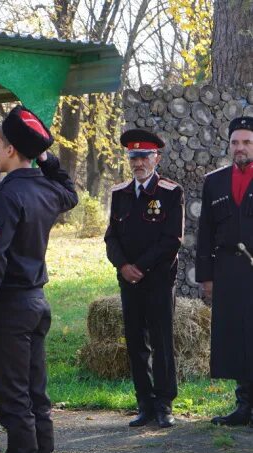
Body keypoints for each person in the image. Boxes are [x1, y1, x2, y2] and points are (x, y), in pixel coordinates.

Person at [0, 106, 78, 453]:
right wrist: (43, 155)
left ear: (11, 149)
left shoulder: (5, 195)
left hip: (10, 309)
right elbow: (70, 191)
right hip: (36, 303)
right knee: (35, 394)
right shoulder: (47, 189)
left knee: (13, 399)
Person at [104, 129, 184, 429]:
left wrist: (141, 267)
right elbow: (111, 238)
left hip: (158, 280)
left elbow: (171, 239)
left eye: (144, 157)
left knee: (161, 342)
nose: (138, 163)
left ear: (156, 158)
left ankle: (164, 404)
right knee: (136, 341)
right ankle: (144, 404)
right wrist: (124, 266)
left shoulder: (170, 192)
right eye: (133, 157)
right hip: (129, 281)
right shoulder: (119, 193)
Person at [196, 116, 253, 427]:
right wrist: (206, 277)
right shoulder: (214, 181)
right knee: (236, 337)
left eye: (246, 142)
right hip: (228, 269)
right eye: (235, 142)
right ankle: (244, 406)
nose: (240, 147)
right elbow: (204, 231)